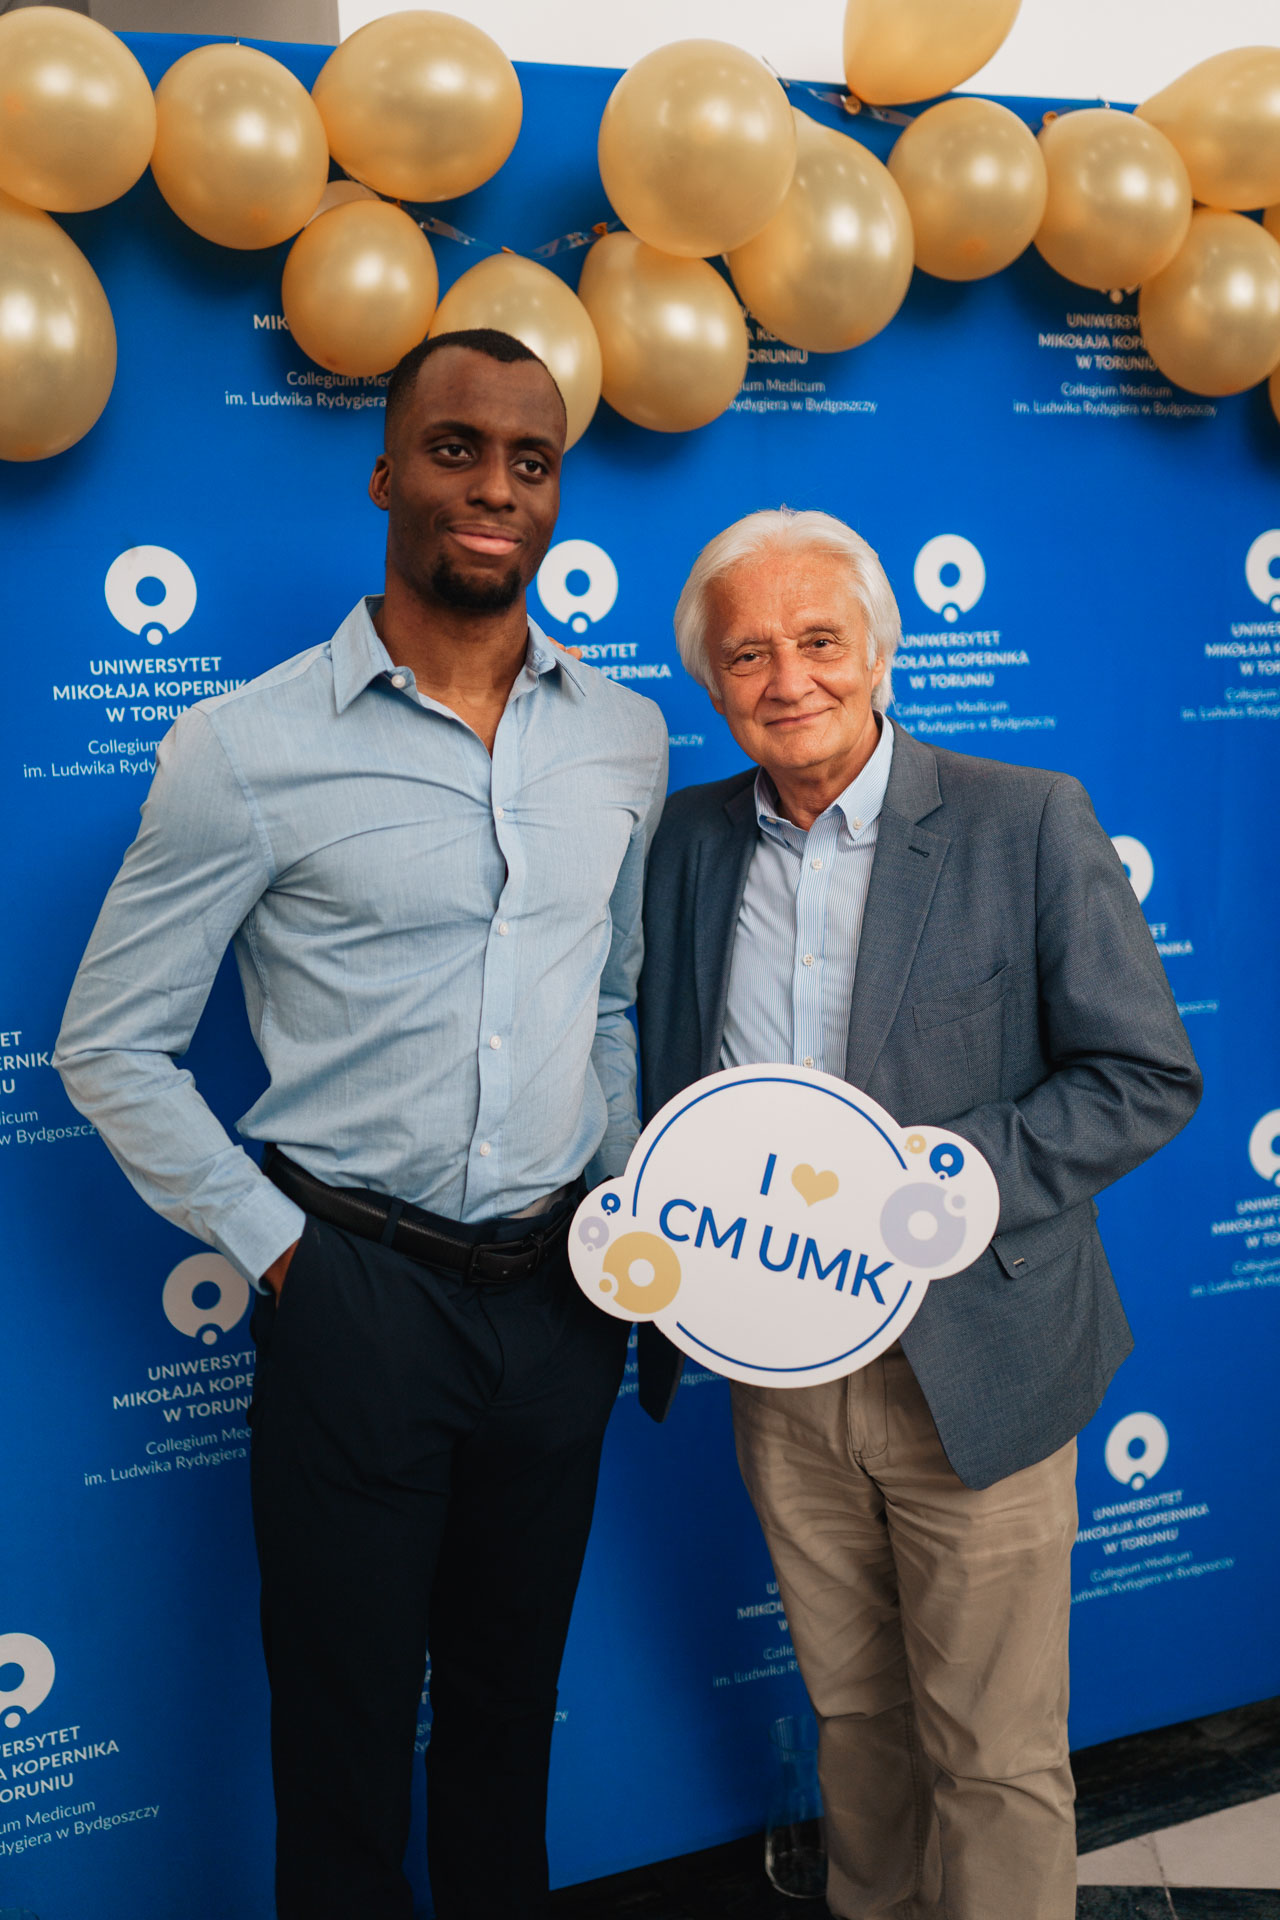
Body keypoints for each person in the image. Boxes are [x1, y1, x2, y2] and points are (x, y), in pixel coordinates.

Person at [54, 329, 668, 1920]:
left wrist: (615, 1197)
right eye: (457, 449)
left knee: (508, 1720)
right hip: (353, 1297)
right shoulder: (245, 747)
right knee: (340, 1745)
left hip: (563, 1299)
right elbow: (108, 1043)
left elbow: (611, 998)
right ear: (387, 473)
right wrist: (283, 1257)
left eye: (531, 461)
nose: (496, 488)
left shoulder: (625, 737)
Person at [635, 508, 1201, 1920]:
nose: (789, 681)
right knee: (858, 1723)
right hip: (778, 1369)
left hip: (977, 1364)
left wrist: (941, 1184)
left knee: (995, 1754)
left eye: (820, 641)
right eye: (748, 655)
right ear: (711, 684)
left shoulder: (1027, 819)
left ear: (882, 653)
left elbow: (1144, 1075)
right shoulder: (686, 842)